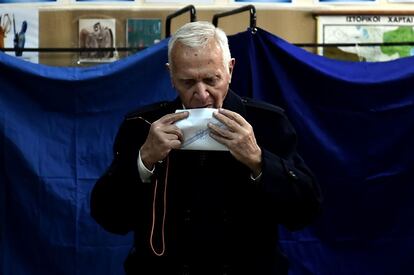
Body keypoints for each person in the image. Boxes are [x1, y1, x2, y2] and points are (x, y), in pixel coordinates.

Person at [90, 21, 322, 275]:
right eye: (188, 82)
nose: (202, 95)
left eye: (212, 80)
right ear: (171, 75)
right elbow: (108, 218)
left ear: (230, 69)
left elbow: (305, 212)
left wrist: (259, 160)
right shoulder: (141, 125)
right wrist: (143, 161)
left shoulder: (268, 122)